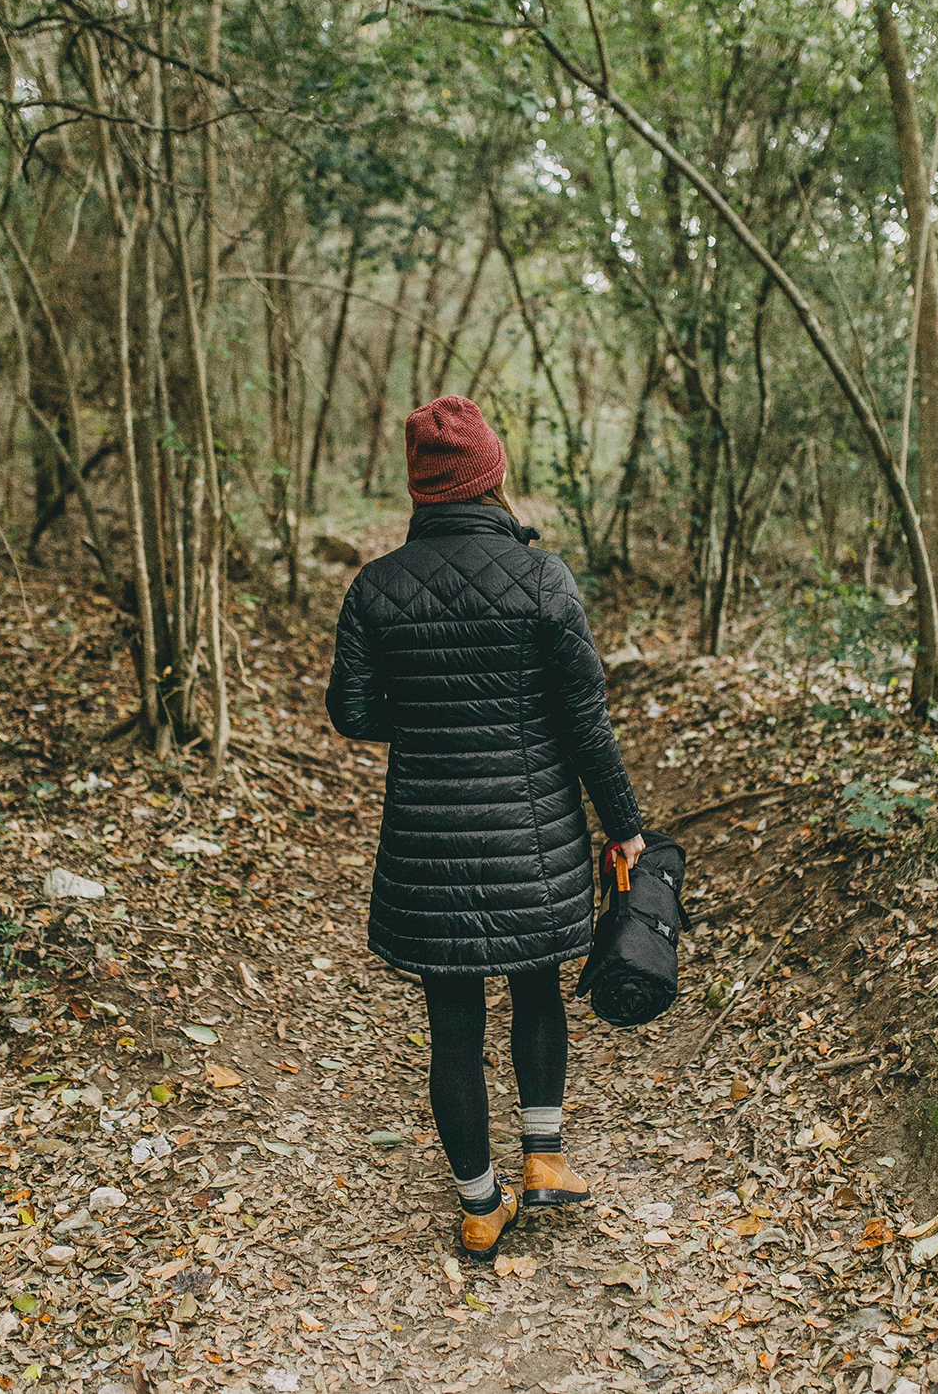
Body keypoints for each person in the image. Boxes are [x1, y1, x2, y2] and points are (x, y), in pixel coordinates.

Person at [326, 394, 644, 1261]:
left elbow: (350, 712)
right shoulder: (545, 581)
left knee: (452, 1018)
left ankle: (479, 1206)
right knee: (537, 986)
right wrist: (625, 827)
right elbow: (587, 722)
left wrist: (430, 717)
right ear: (493, 477)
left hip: (428, 843)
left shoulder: (375, 586)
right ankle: (544, 1160)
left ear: (422, 490)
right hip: (531, 834)